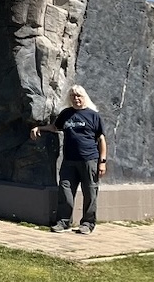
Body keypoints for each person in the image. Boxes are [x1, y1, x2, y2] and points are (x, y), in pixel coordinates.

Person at [30, 84, 107, 235]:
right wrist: (39, 128)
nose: (76, 99)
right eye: (72, 96)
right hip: (69, 161)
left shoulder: (93, 115)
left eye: (78, 96)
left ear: (84, 97)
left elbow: (101, 139)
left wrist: (102, 162)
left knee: (90, 192)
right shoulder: (66, 114)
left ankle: (87, 224)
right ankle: (63, 222)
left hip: (89, 160)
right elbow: (55, 127)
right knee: (65, 190)